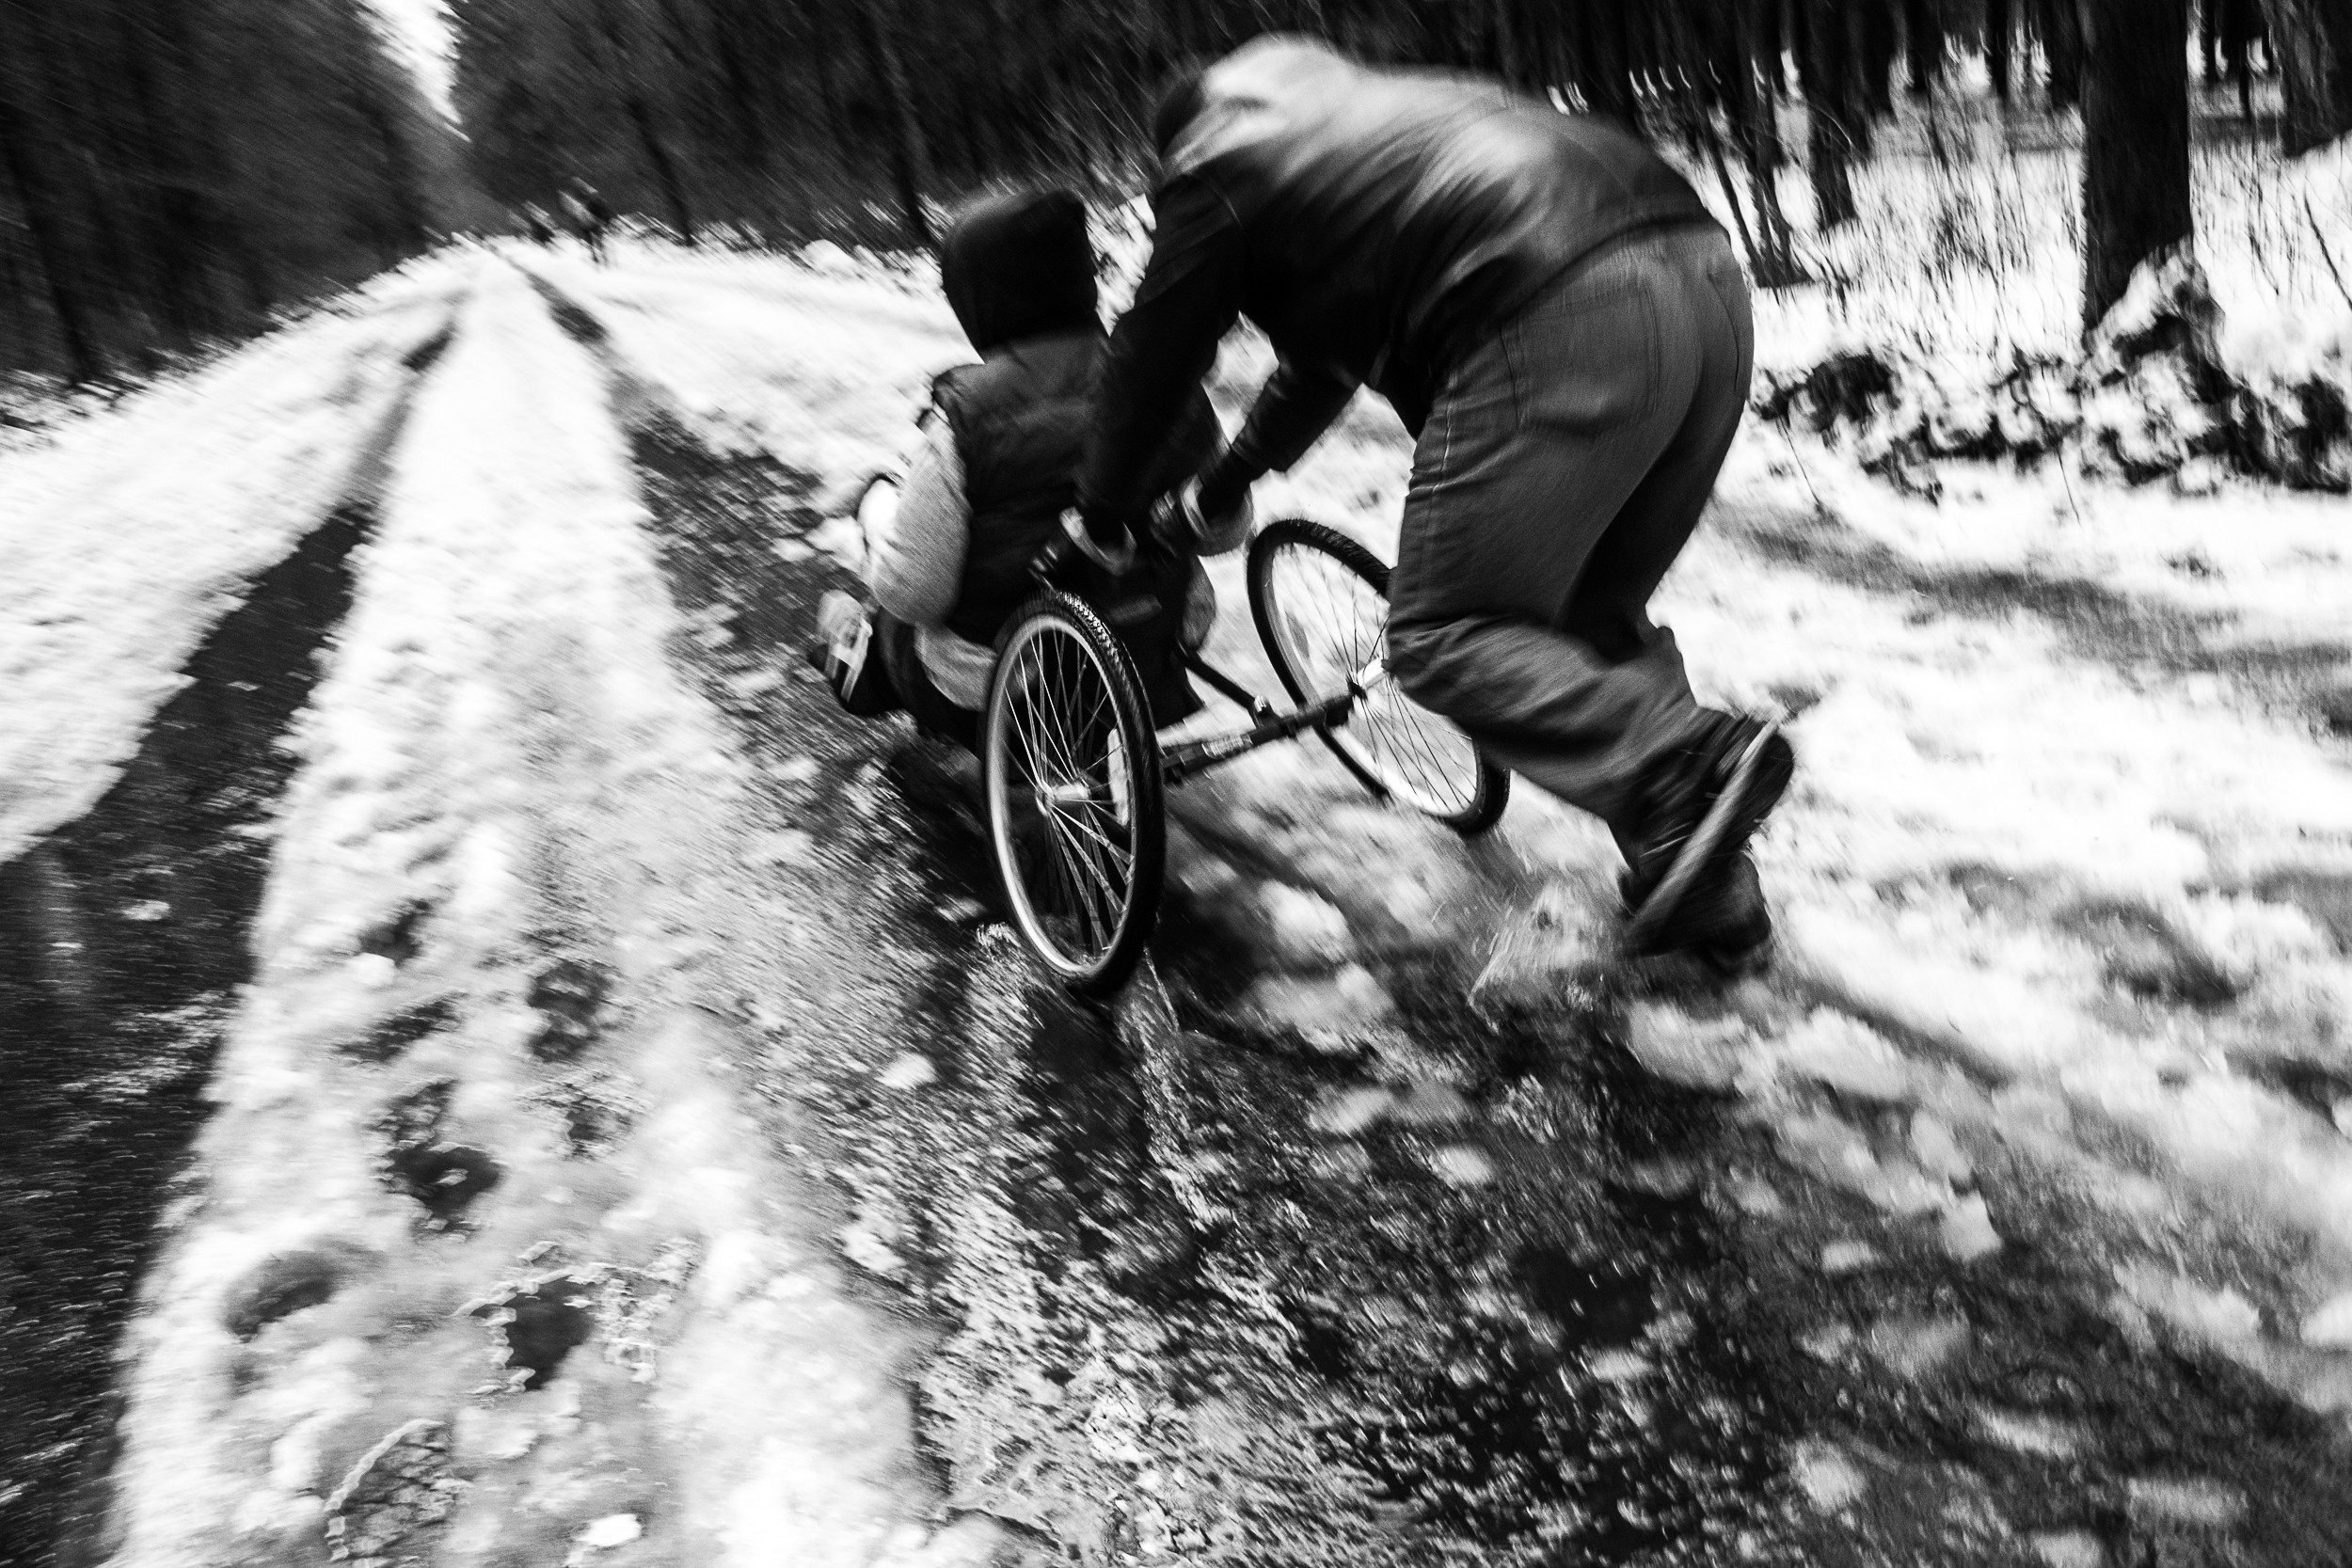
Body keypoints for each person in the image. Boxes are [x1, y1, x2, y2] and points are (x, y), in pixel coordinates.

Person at [1073, 36, 1794, 968]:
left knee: (1442, 632)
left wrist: (1099, 513)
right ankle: (1709, 890)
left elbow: (1150, 352)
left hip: (1550, 299)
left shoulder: (1213, 161)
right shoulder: (1351, 128)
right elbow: (1316, 370)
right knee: (1582, 619)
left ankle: (1682, 764)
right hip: (1703, 280)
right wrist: (1226, 482)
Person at [814, 186, 1226, 751]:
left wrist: (875, 509)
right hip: (1146, 659)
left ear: (977, 300)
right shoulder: (1164, 378)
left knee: (887, 618)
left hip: (1012, 692)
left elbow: (915, 595)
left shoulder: (966, 418)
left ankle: (846, 646)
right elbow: (1227, 529)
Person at [561, 178, 613, 264]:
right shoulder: (581, 194)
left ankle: (596, 255)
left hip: (587, 221)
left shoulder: (575, 194)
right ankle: (600, 255)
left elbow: (598, 205)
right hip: (589, 220)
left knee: (592, 239)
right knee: (596, 239)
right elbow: (599, 205)